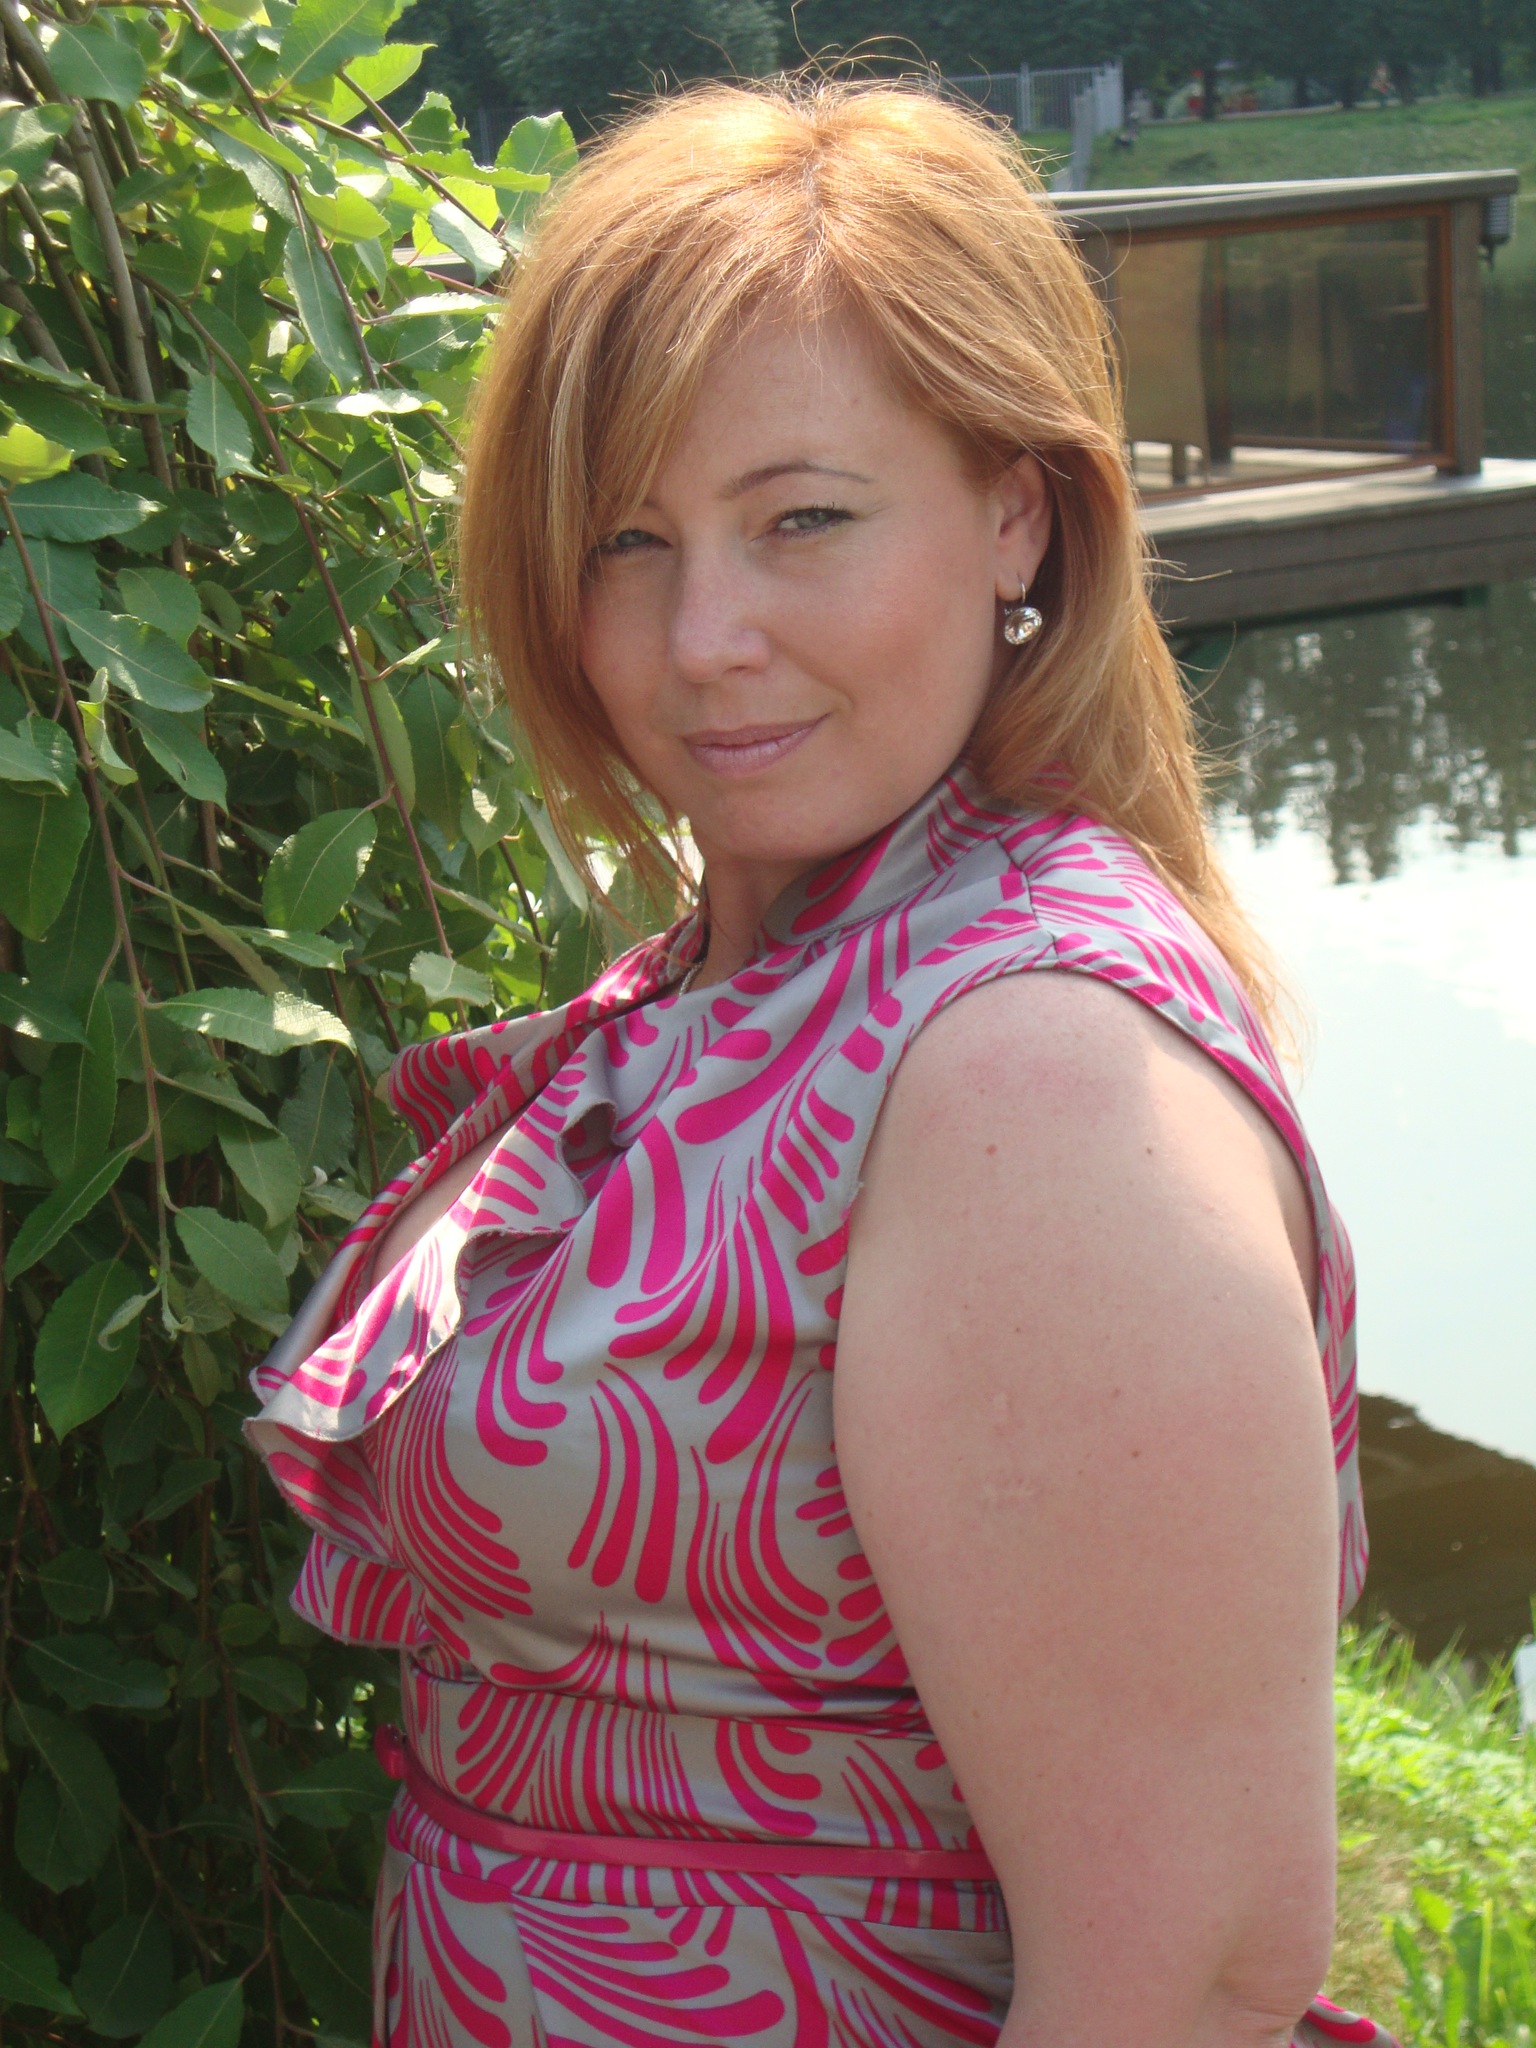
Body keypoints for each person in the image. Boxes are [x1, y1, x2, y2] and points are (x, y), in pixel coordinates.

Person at [248, 79, 1397, 2048]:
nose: (704, 636)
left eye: (803, 520)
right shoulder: (780, 971)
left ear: (1016, 509)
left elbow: (1192, 1976)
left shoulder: (1035, 1070)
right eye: (627, 541)